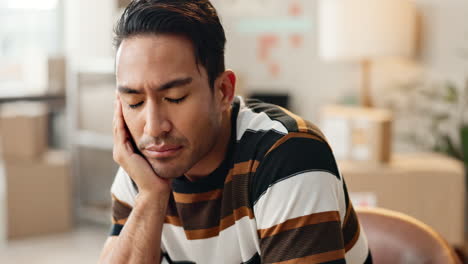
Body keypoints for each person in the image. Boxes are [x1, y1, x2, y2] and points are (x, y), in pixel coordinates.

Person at [98, 0, 372, 263]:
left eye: (176, 97)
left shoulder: (290, 154)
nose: (154, 127)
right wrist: (151, 196)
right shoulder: (142, 166)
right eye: (134, 102)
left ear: (223, 91)